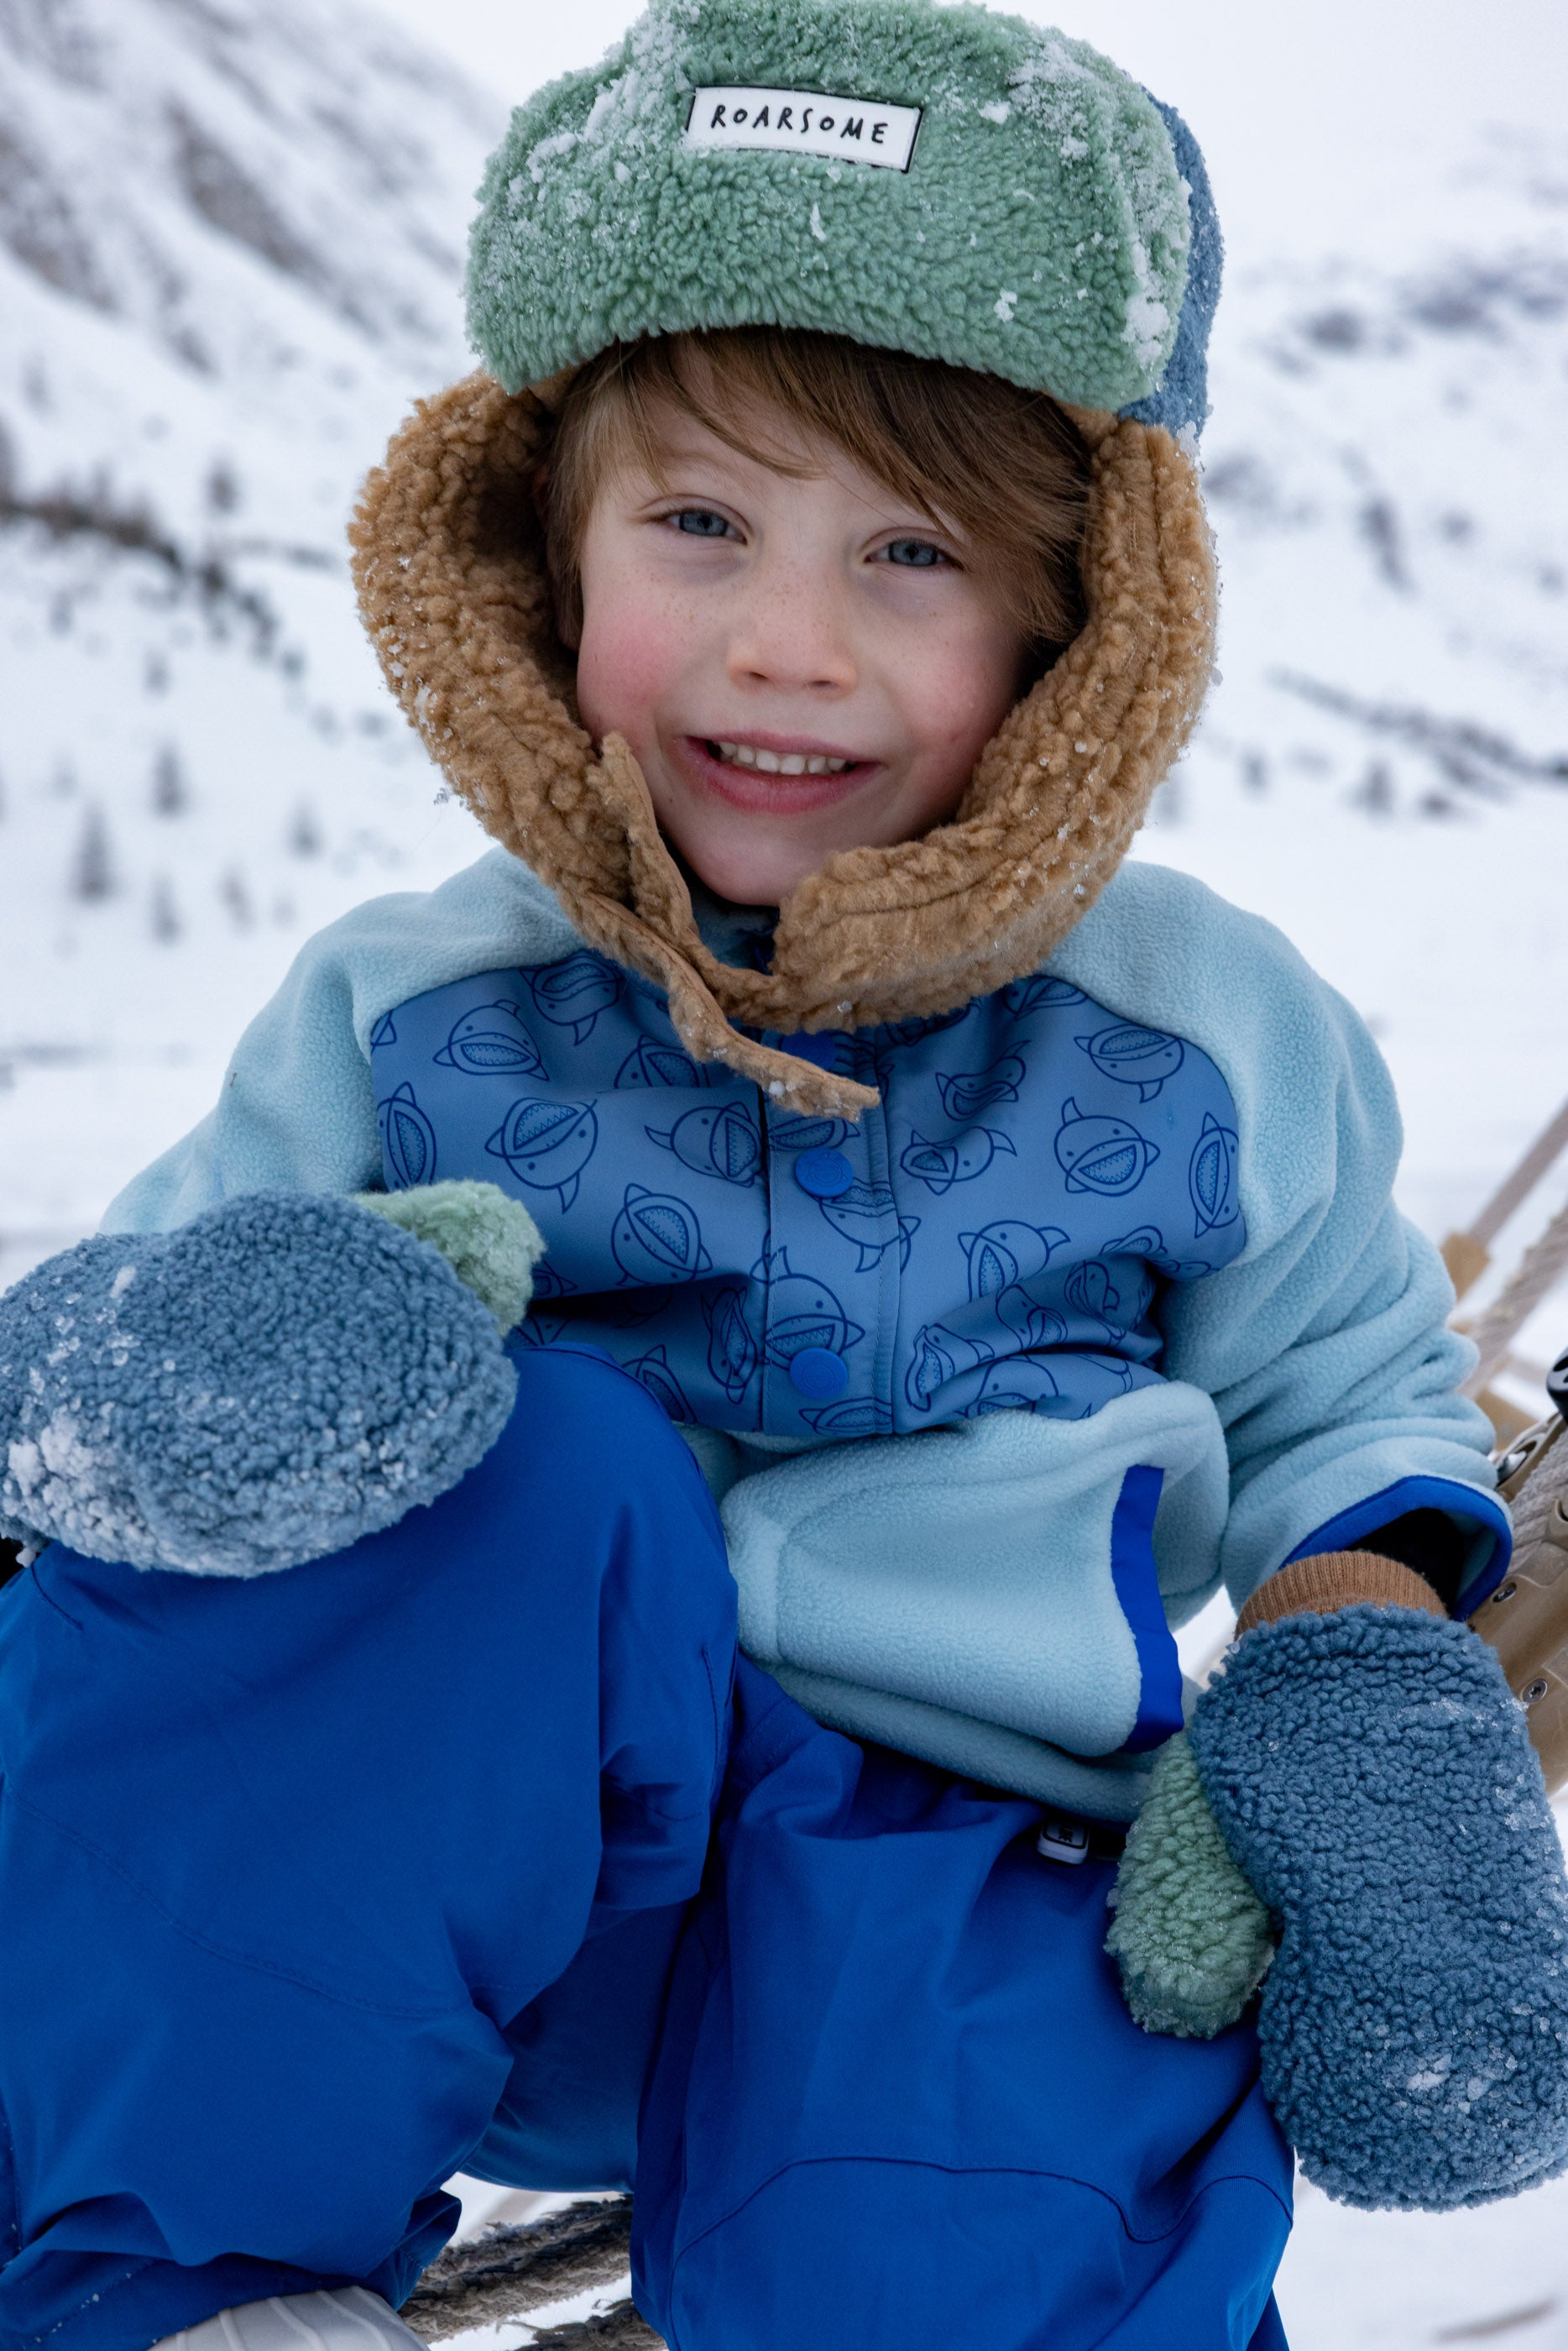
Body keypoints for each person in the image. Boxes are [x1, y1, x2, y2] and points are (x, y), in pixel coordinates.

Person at [4, 2, 1567, 2347]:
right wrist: (205, 1365)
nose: (786, 644)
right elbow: (128, 1411)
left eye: (910, 553)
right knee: (496, 1467)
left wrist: (1354, 1662)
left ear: (1069, 631)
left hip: (964, 1852)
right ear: (549, 564)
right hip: (452, 1854)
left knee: (986, 2222)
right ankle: (176, 2287)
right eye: (700, 524)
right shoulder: (410, 1009)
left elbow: (1339, 1387)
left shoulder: (1200, 1030)